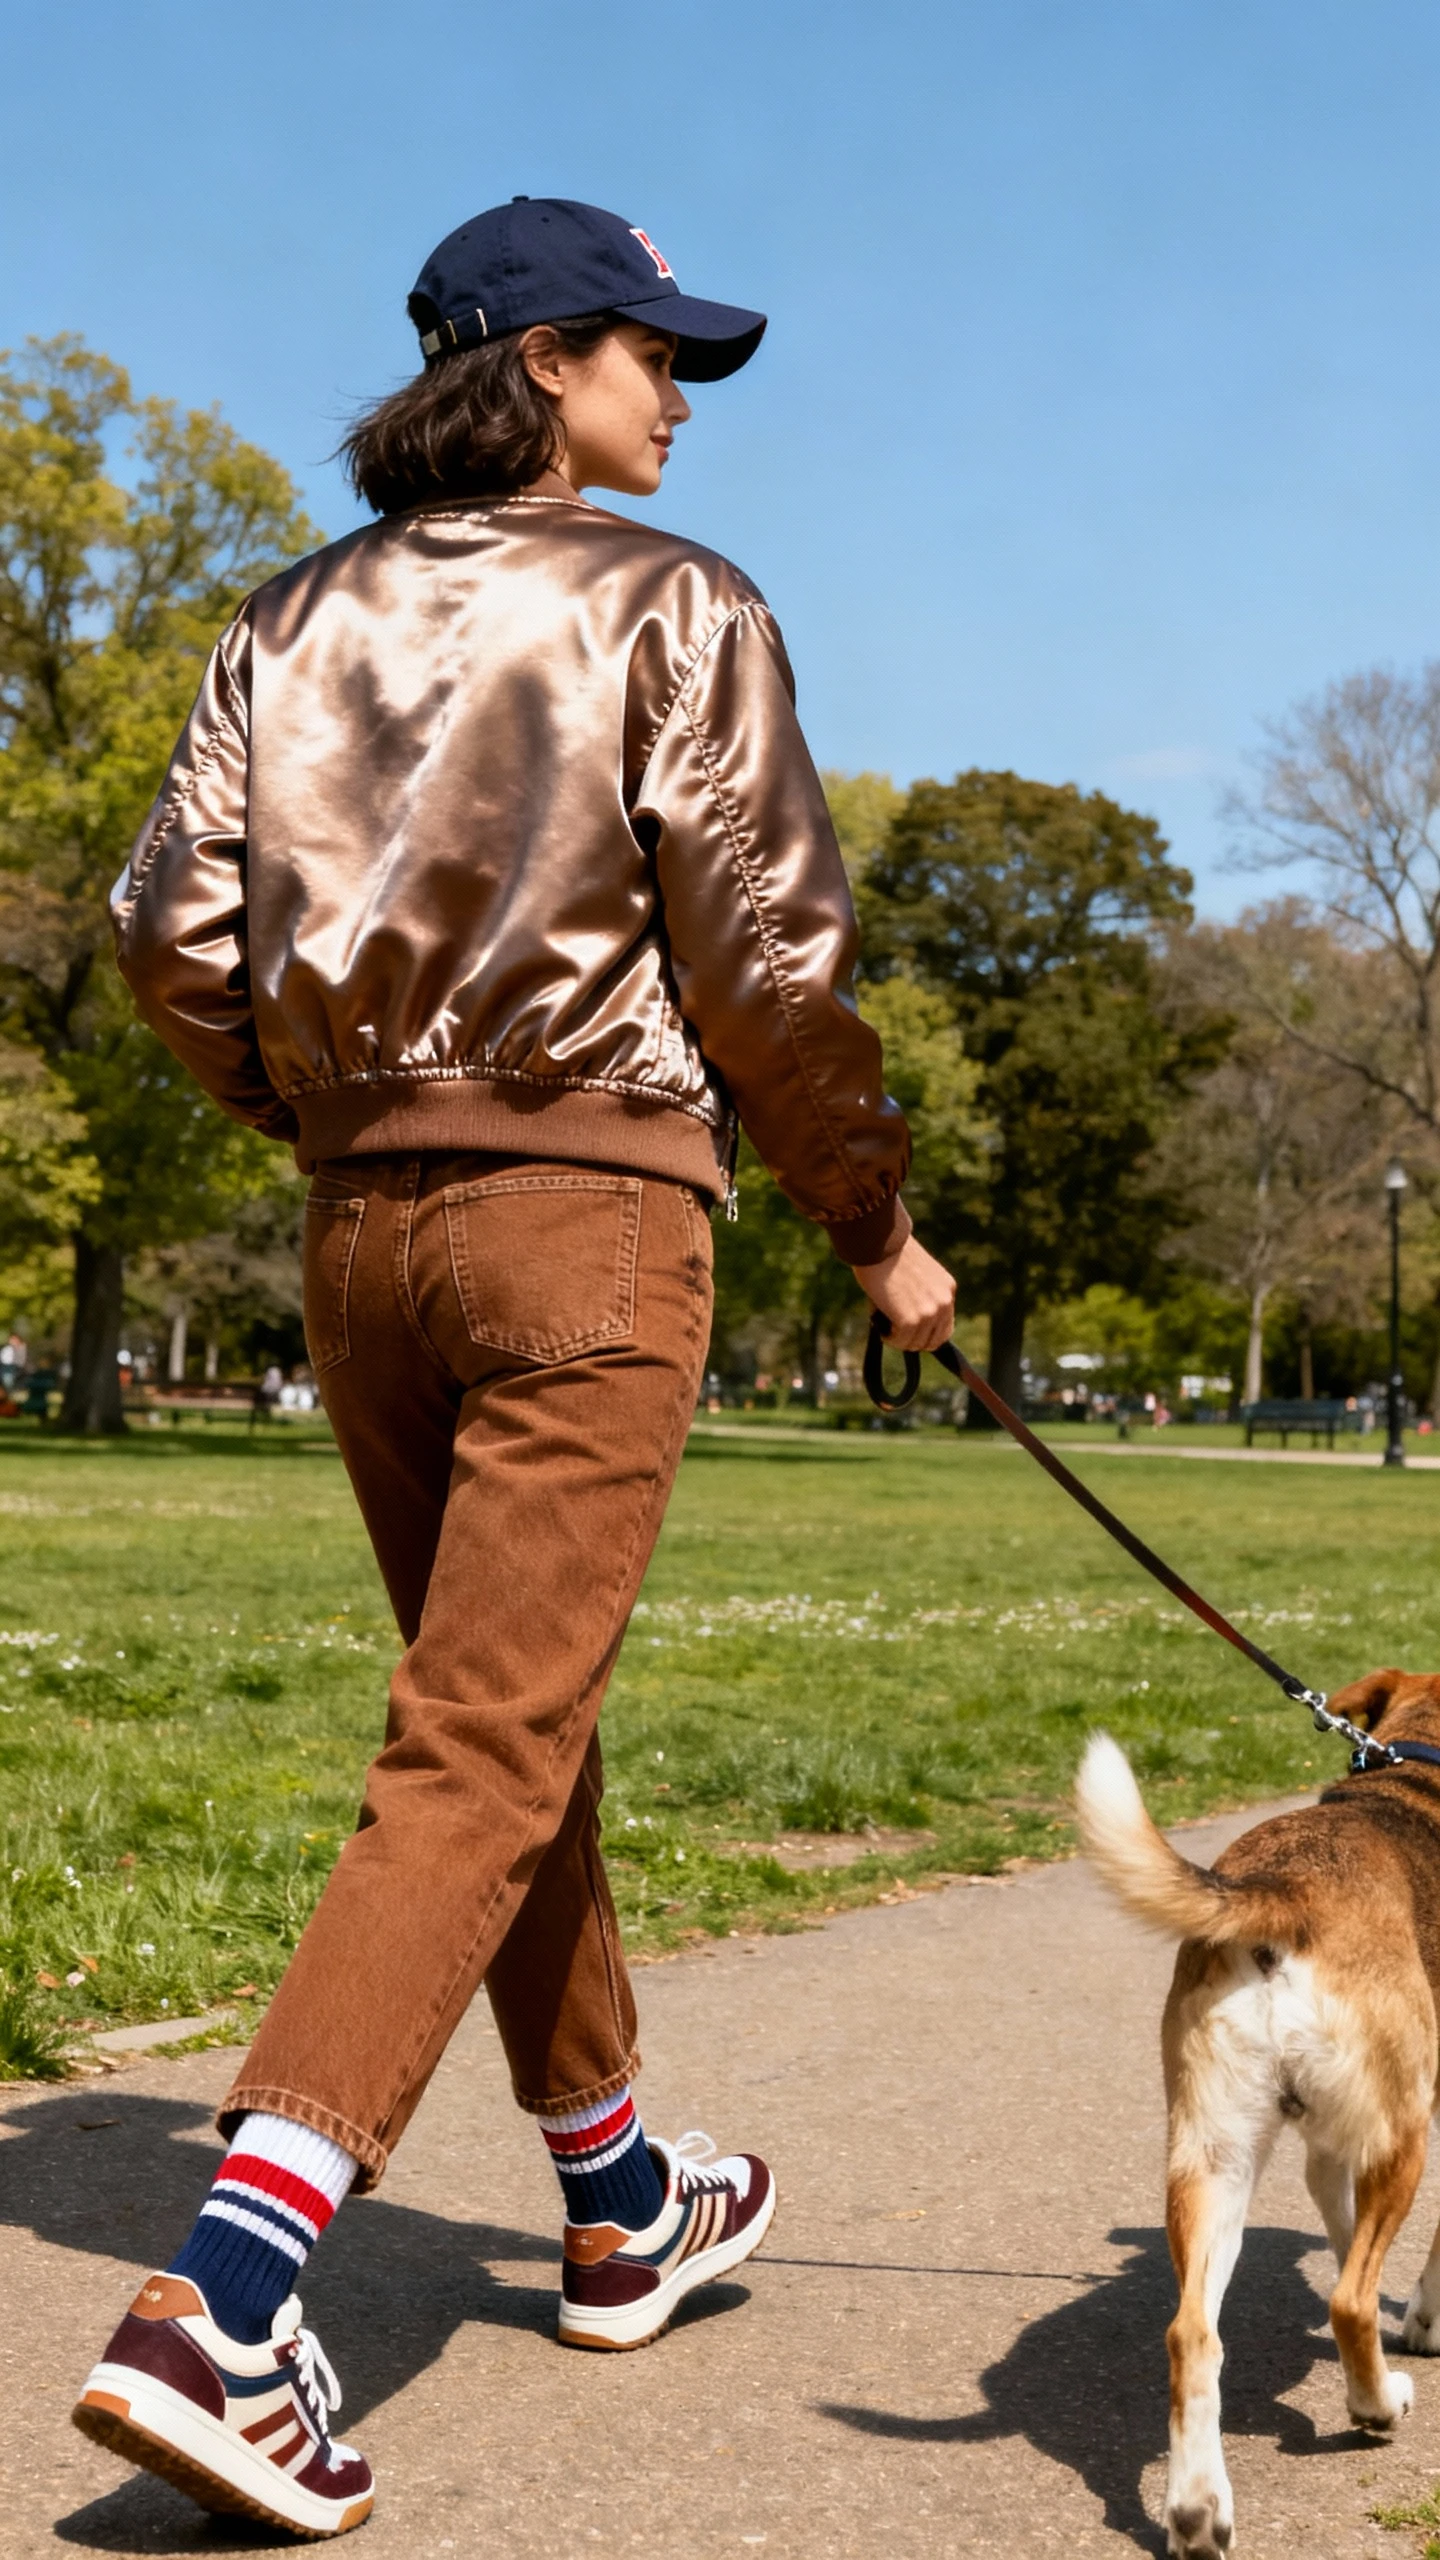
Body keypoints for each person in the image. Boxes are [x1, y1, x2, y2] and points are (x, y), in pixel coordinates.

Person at [72, 197, 956, 2536]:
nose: (682, 397)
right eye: (658, 355)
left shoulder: (283, 617)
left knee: (506, 1723)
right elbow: (765, 952)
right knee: (480, 1742)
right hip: (591, 1218)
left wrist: (337, 1118)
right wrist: (873, 1226)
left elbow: (168, 934)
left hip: (360, 1231)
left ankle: (618, 2193)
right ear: (545, 360)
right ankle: (222, 2307)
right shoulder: (680, 602)